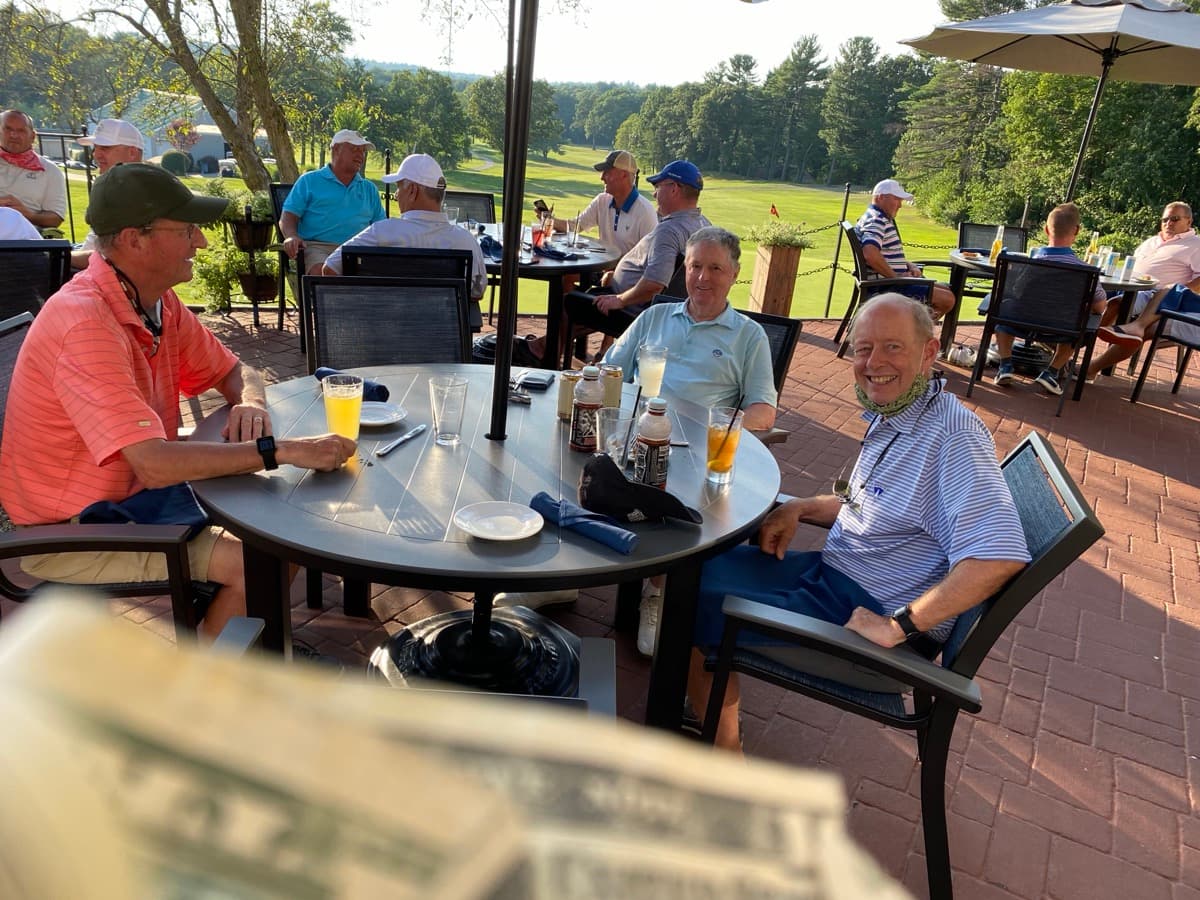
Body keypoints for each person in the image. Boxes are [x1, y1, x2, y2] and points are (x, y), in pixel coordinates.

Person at [0, 163, 355, 639]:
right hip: (76, 527)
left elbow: (234, 369)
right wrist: (282, 452)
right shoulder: (86, 322)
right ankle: (203, 684)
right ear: (134, 239)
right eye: (188, 229)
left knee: (282, 525)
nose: (202, 242)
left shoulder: (154, 301)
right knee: (265, 558)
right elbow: (153, 464)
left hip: (133, 499)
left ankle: (240, 640)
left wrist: (249, 400)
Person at [687, 294, 1030, 750]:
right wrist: (801, 508)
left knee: (688, 601)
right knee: (687, 571)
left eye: (893, 347)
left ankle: (723, 756)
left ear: (929, 352)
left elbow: (998, 555)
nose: (874, 363)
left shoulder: (954, 438)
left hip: (865, 620)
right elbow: (874, 503)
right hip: (834, 579)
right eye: (864, 348)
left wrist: (899, 626)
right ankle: (708, 709)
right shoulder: (903, 412)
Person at [600, 225, 778, 655]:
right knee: (574, 461)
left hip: (692, 453)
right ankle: (560, 577)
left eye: (715, 268)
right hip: (630, 439)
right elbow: (609, 371)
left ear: (735, 274)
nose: (703, 277)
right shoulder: (654, 317)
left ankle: (657, 593)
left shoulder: (747, 336)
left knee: (672, 492)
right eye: (695, 265)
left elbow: (764, 411)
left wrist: (714, 428)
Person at [557, 159, 712, 355]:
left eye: (658, 187)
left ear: (674, 189)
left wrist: (619, 300)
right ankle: (545, 349)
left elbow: (655, 284)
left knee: (568, 302)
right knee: (589, 297)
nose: (654, 194)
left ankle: (548, 358)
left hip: (636, 311)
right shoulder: (705, 227)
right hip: (664, 312)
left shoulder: (669, 230)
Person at [322, 153, 487, 328]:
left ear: (412, 191)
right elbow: (476, 292)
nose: (396, 194)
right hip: (441, 342)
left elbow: (329, 269)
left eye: (399, 187)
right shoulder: (466, 241)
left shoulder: (380, 233)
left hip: (381, 337)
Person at [991, 202, 1107, 396]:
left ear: (1046, 229)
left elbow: (1016, 290)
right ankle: (1051, 372)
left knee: (1001, 310)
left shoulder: (1031, 263)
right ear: (1077, 230)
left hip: (1021, 321)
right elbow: (1100, 305)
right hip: (1062, 328)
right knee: (1081, 327)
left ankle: (1005, 365)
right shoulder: (1085, 271)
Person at [1086, 201, 1200, 379]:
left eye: (1175, 219)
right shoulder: (1152, 241)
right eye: (1165, 219)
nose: (1168, 223)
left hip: (1157, 296)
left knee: (1117, 304)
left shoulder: (1195, 244)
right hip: (1131, 286)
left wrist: (1177, 292)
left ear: (1189, 222)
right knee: (1090, 295)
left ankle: (1084, 352)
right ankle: (1072, 344)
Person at [279, 129, 385, 275]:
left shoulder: (369, 189)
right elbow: (288, 216)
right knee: (323, 272)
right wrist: (291, 236)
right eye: (354, 149)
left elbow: (380, 226)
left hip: (358, 250)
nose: (360, 155)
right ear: (336, 149)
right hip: (319, 247)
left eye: (362, 151)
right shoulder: (309, 181)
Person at [855, 179, 955, 318]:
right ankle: (913, 333)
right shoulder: (876, 220)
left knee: (946, 290)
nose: (900, 205)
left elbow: (884, 253)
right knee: (947, 299)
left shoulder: (878, 217)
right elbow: (870, 253)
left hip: (890, 282)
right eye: (896, 199)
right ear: (880, 197)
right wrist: (896, 278)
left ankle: (912, 331)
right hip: (885, 287)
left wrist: (909, 265)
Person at [540, 150, 657, 257]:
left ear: (624, 175)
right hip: (603, 268)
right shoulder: (602, 201)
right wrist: (549, 220)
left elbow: (649, 259)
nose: (602, 177)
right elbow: (575, 226)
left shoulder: (645, 212)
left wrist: (617, 273)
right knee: (566, 275)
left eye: (607, 172)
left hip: (627, 276)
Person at [72, 118, 145, 270]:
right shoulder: (117, 189)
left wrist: (57, 256)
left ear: (132, 153)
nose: (96, 154)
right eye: (95, 148)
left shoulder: (137, 194)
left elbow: (110, 258)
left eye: (105, 148)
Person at [0, 109, 67, 230]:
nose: (13, 135)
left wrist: (28, 214)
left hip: (26, 238)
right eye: (8, 129)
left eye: (21, 131)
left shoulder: (50, 171)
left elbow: (56, 218)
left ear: (33, 136)